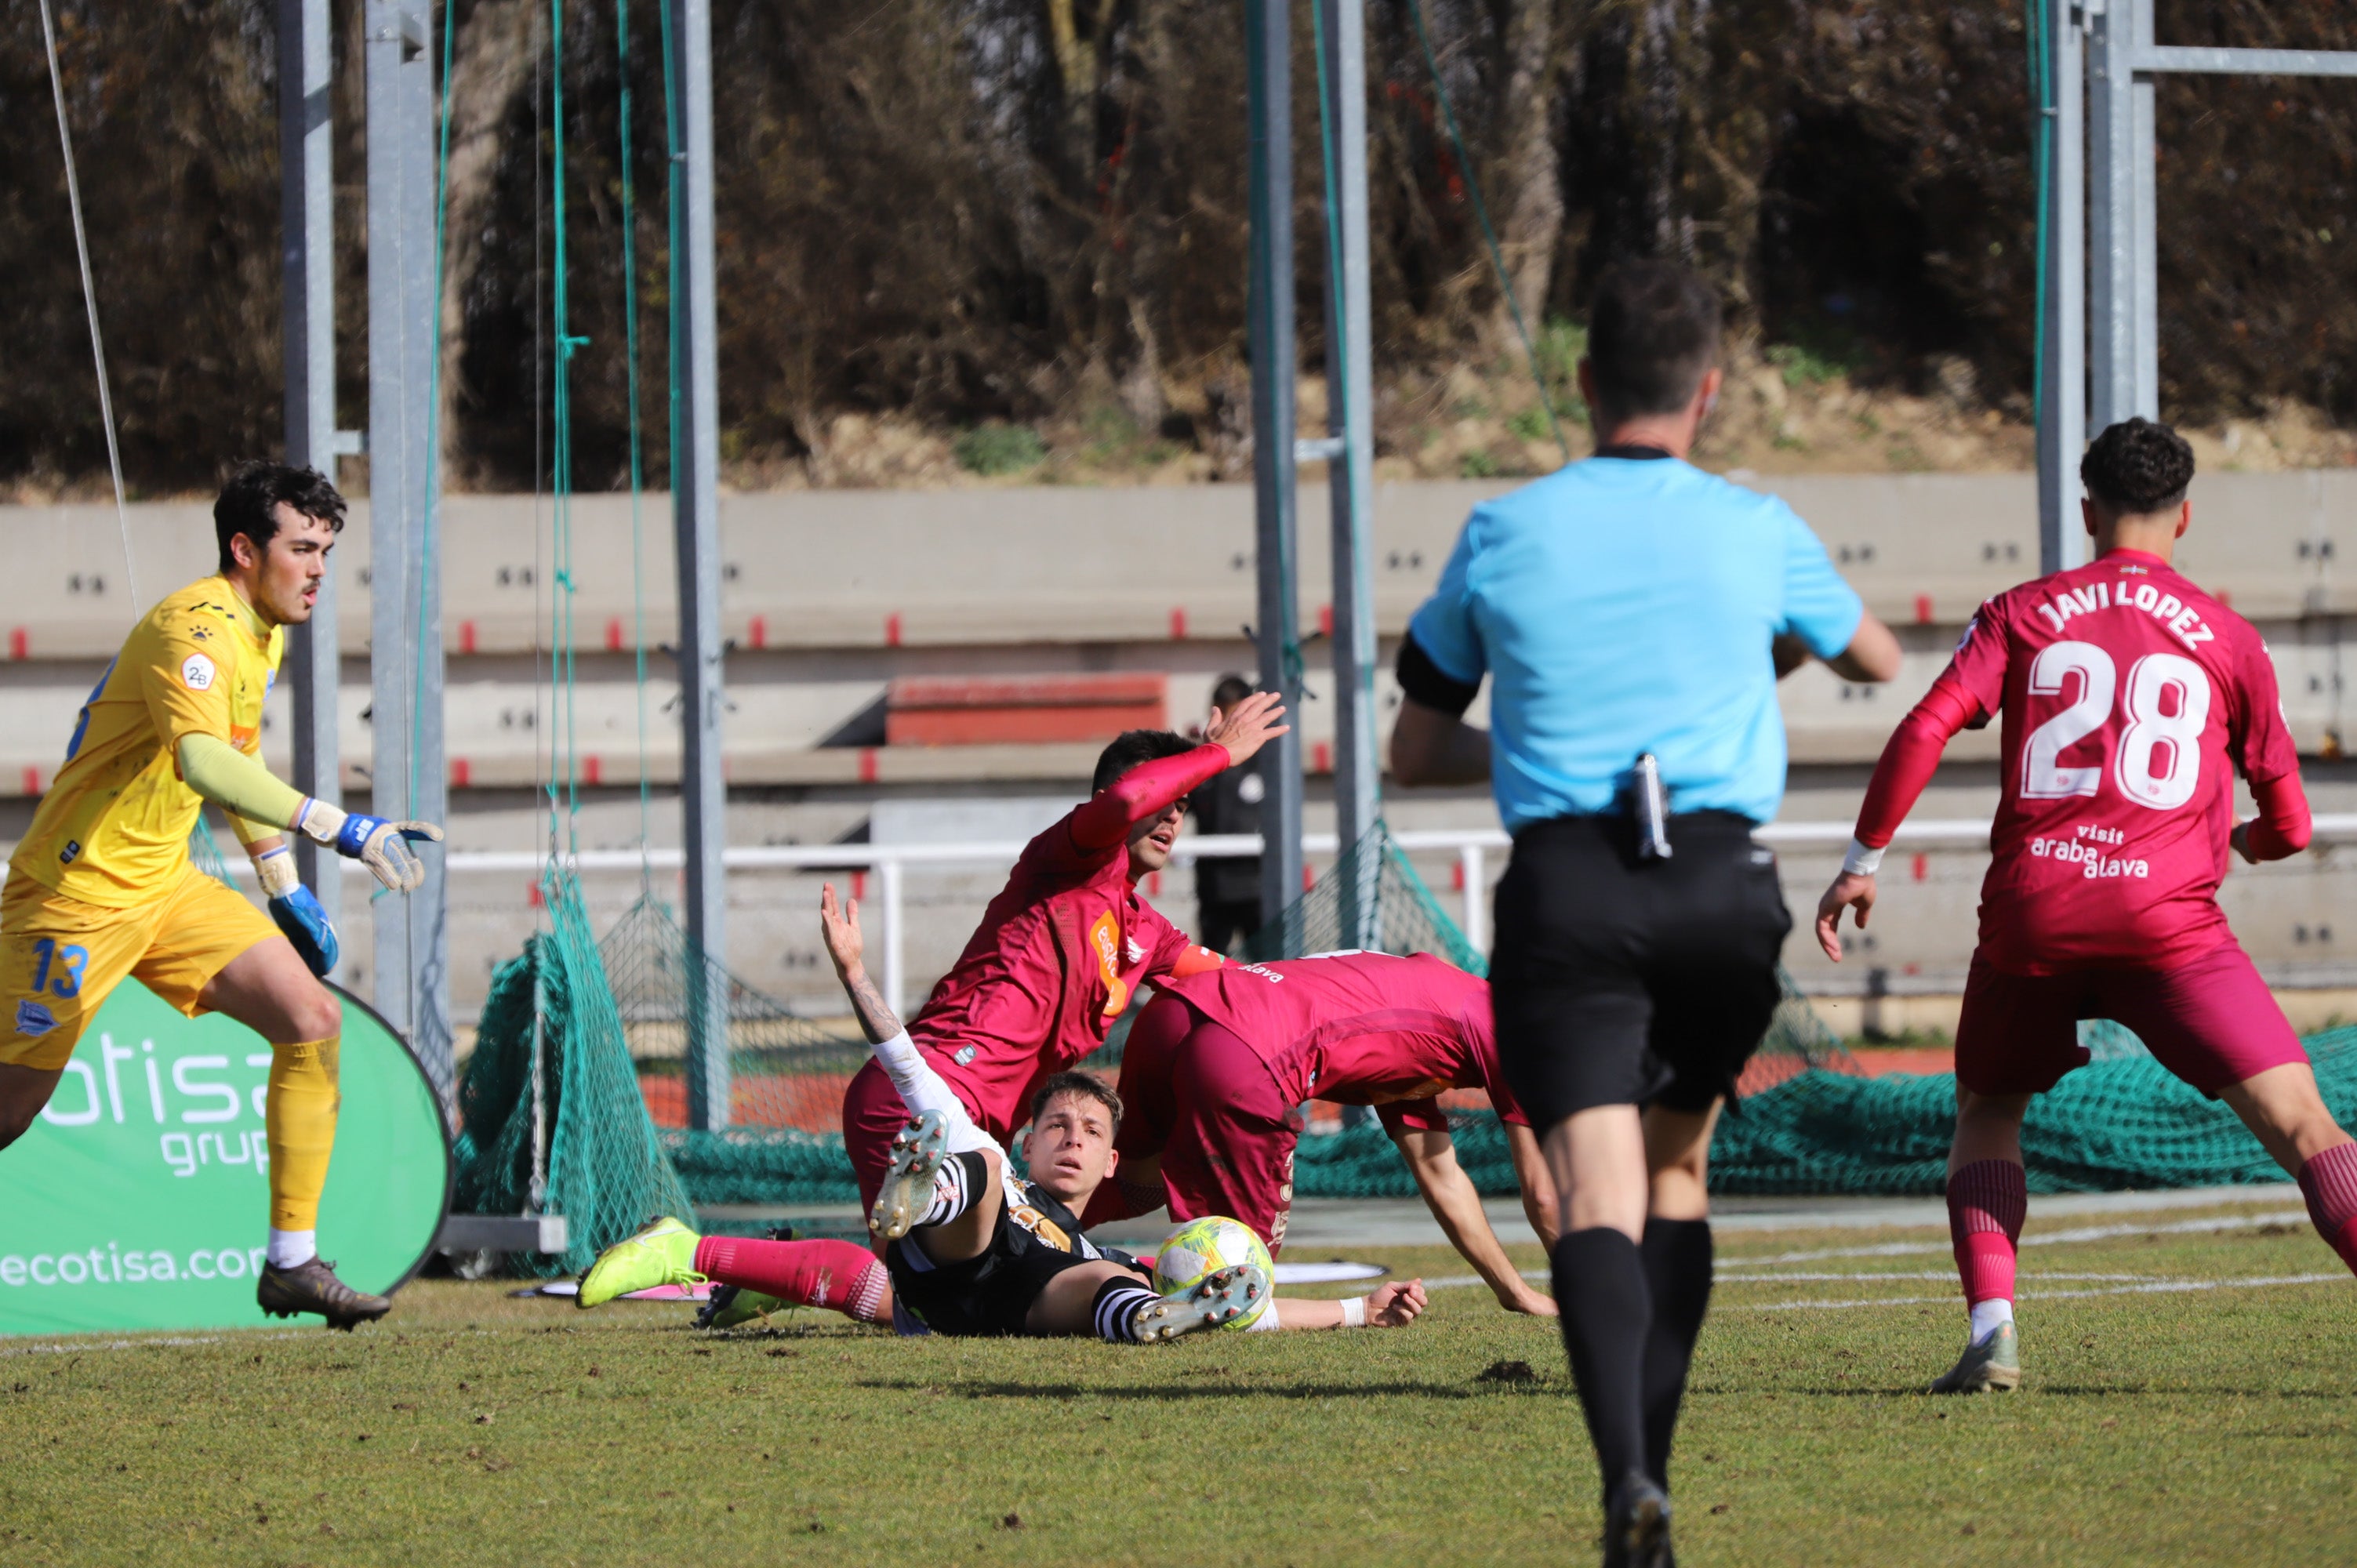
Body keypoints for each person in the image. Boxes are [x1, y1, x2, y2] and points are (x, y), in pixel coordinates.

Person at [1389, 260, 1901, 1566]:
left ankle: (1627, 1478)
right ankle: (1653, 1483)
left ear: (1581, 384)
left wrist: (1534, 742)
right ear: (1710, 392)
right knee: (1681, 1169)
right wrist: (1762, 648)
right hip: (1724, 894)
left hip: (1570, 889)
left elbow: (1415, 747)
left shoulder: (1502, 531)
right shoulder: (1756, 522)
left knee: (1596, 1188)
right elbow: (1876, 658)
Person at [1816, 416, 2357, 1395]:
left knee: (1988, 1108)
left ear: (2085, 510)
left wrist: (1863, 859)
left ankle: (1995, 1330)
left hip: (2037, 913)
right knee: (2305, 1126)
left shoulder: (2024, 611)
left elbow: (1927, 723)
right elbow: (2290, 822)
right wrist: (2228, 843)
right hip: (2170, 918)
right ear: (2185, 514)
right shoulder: (2229, 638)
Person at [0, 461, 444, 1330]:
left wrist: (281, 882)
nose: (319, 569)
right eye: (302, 548)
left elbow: (232, 768)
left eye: (327, 550)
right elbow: (201, 758)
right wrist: (340, 828)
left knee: (310, 1018)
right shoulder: (193, 627)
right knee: (8, 1113)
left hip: (165, 884)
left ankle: (292, 1264)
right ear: (244, 549)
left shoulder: (262, 630)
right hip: (76, 894)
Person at [576, 888, 1426, 1341]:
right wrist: (853, 974)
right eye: (1059, 1123)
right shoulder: (1006, 1158)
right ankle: (919, 1194)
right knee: (973, 1168)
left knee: (1121, 1279)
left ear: (1109, 1165)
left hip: (1010, 1305)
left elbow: (1259, 1306)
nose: (1074, 1138)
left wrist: (1361, 1310)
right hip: (964, 1253)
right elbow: (904, 1059)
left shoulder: (1097, 1237)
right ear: (1033, 1135)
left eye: (1093, 1133)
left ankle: (1157, 1320)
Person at [834, 696, 1287, 1227]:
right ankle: (712, 1254)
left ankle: (760, 1275)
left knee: (1129, 1194)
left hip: (986, 1133)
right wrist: (1216, 754)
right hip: (923, 1095)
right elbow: (1124, 804)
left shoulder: (1146, 931)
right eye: (1164, 797)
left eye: (1183, 805)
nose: (1171, 815)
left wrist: (1355, 985)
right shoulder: (1068, 859)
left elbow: (1245, 985)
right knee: (924, 1297)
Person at [1085, 951, 1560, 1317]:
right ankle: (1100, 1301)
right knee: (1239, 1290)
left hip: (1175, 1013)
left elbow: (1440, 1173)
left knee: (1129, 1184)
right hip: (1242, 1052)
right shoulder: (1517, 1034)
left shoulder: (1439, 1007)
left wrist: (1515, 1293)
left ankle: (1024, 1231)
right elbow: (1544, 1197)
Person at [1192, 675, 1266, 954]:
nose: (1229, 726)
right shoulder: (1202, 760)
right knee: (1210, 968)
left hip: (1259, 886)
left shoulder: (1268, 759)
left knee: (1269, 966)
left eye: (1235, 715)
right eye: (1224, 714)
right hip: (1214, 887)